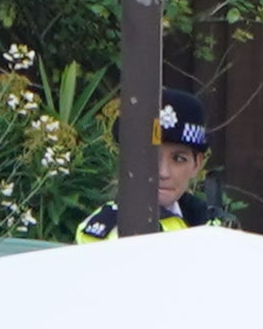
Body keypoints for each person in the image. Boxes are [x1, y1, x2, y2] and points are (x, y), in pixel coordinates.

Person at [75, 89, 223, 240]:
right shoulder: (109, 232)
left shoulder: (212, 225)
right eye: (151, 158)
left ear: (197, 164)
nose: (163, 172)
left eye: (178, 159)